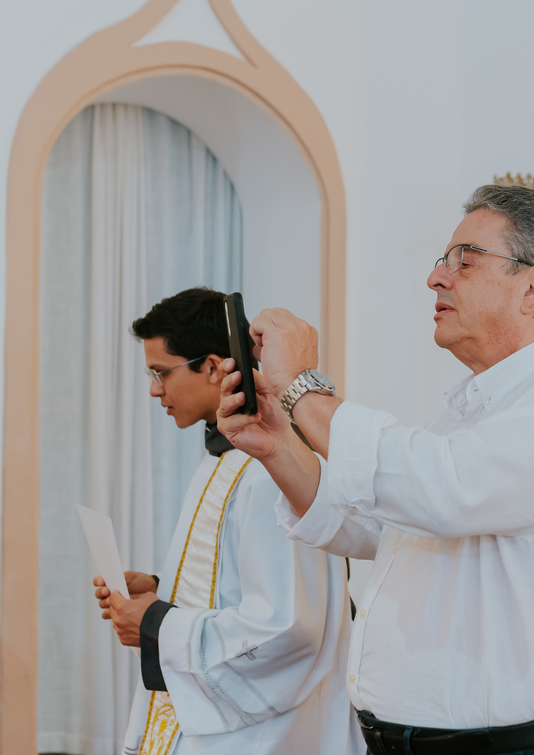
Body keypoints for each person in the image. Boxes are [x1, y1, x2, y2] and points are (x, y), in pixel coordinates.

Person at [217, 185, 534, 755]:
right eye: (442, 262)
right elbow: (380, 527)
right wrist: (279, 445)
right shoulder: (466, 416)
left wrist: (303, 387)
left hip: (524, 749)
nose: (436, 278)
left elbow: (443, 490)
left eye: (464, 261)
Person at [91, 287, 362, 755]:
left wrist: (157, 624)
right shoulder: (225, 456)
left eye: (161, 373)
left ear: (214, 366)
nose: (155, 389)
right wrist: (161, 590)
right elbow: (236, 583)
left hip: (265, 736)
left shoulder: (269, 469)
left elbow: (288, 628)